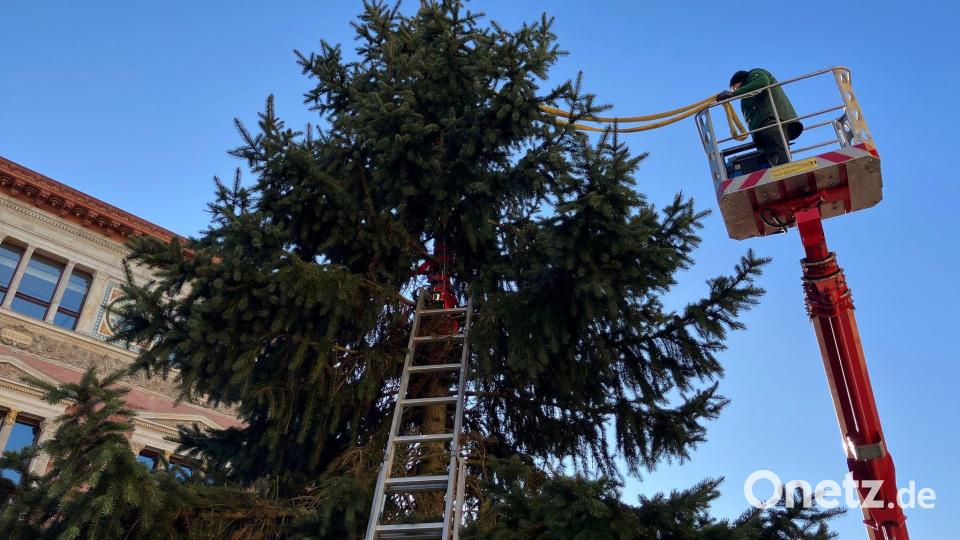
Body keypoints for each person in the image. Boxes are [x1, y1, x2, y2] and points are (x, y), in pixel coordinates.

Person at [716, 69, 803, 168]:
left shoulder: (754, 74)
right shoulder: (746, 97)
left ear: (740, 81)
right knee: (768, 158)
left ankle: (785, 170)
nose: (734, 90)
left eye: (734, 88)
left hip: (771, 122)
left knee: (778, 153)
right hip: (761, 131)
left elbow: (762, 82)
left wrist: (733, 94)